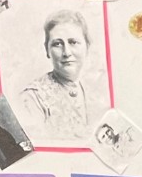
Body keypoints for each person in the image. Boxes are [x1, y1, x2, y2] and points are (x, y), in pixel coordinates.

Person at [21, 9, 99, 140]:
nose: (66, 52)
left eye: (73, 42)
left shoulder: (96, 91)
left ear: (87, 46)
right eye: (57, 44)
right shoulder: (32, 98)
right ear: (47, 50)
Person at [0, 103, 31, 167]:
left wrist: (20, 144)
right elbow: (9, 150)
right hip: (15, 159)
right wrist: (22, 148)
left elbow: (9, 145)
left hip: (16, 156)